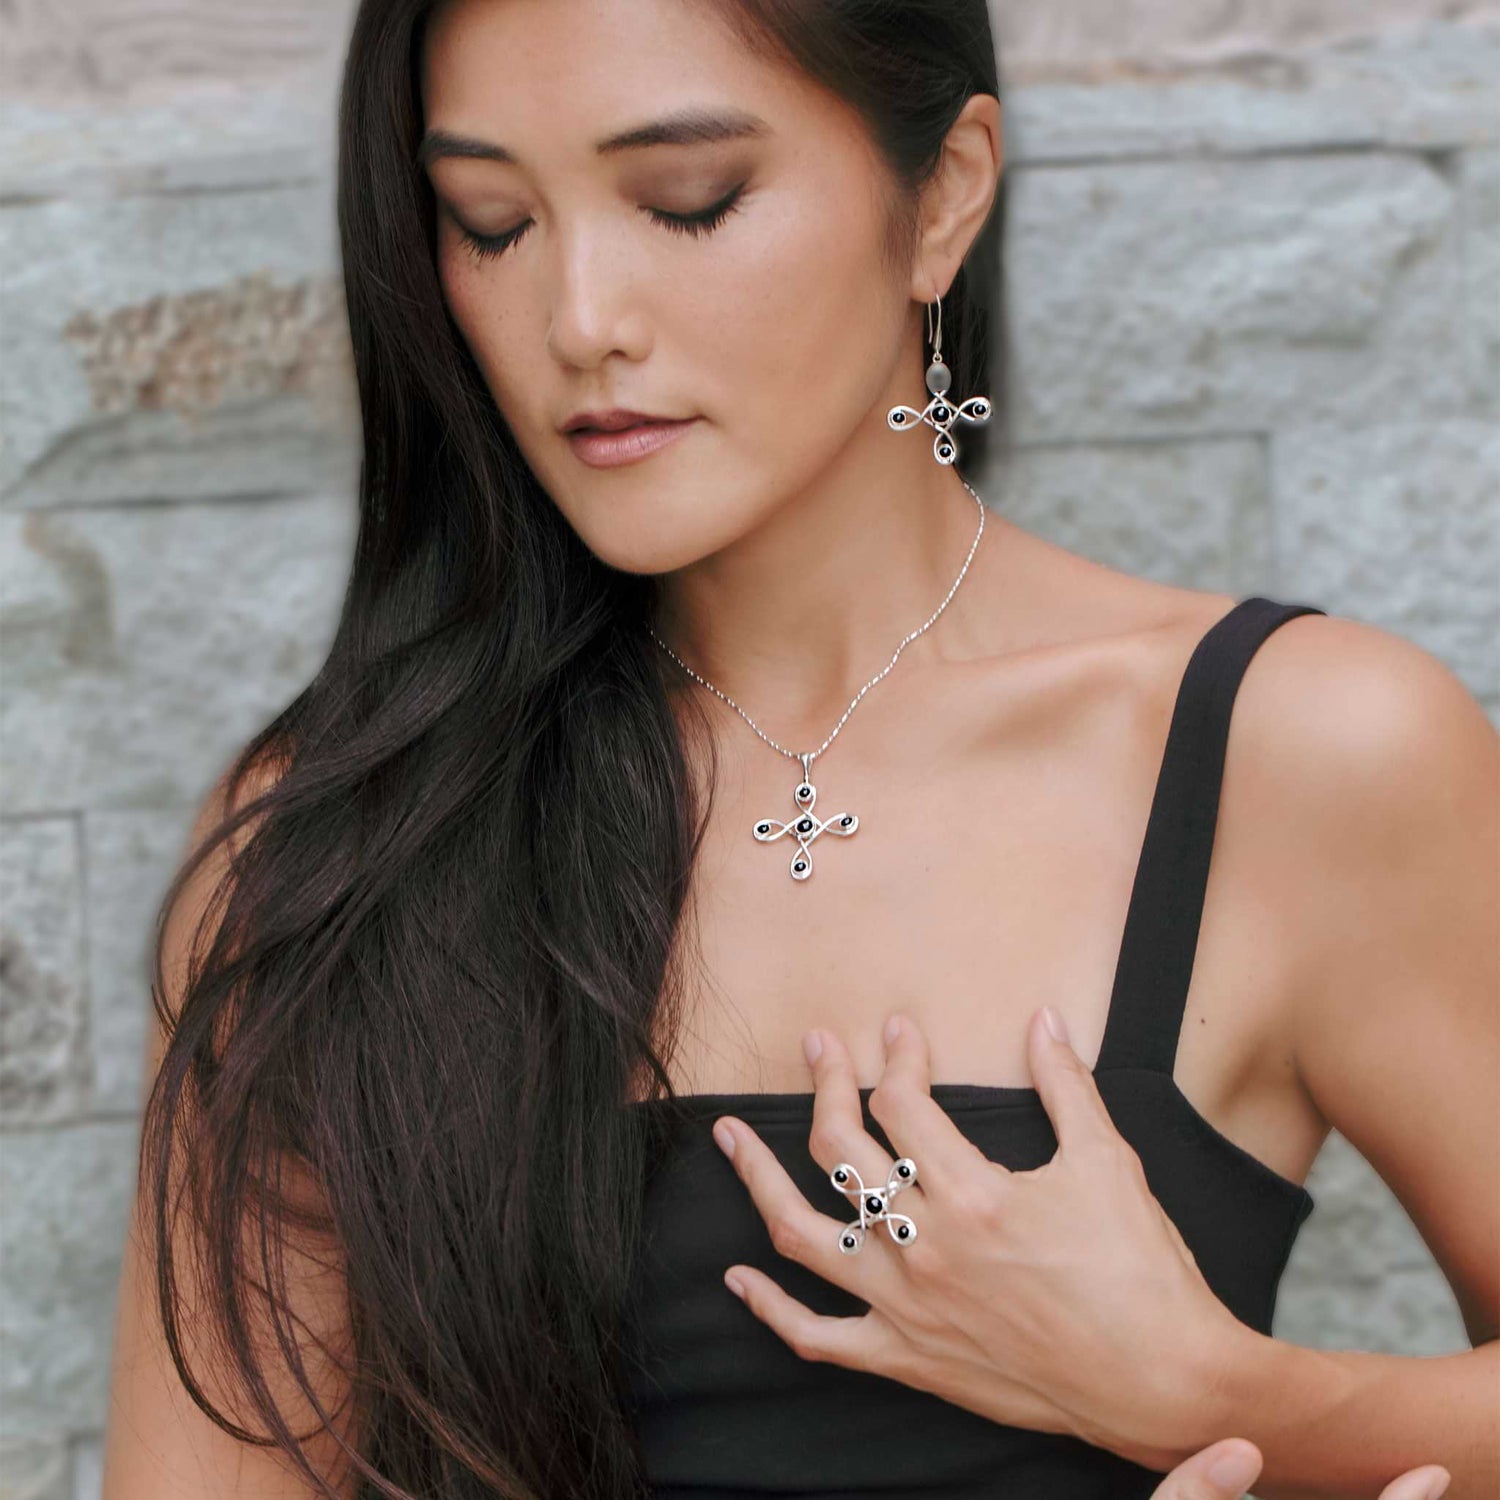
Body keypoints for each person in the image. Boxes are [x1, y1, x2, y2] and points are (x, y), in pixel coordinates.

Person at [101, 0, 1495, 1496]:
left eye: (687, 202)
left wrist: (1221, 1397)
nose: (581, 319)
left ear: (944, 192)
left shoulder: (1304, 755)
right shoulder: (338, 837)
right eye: (490, 223)